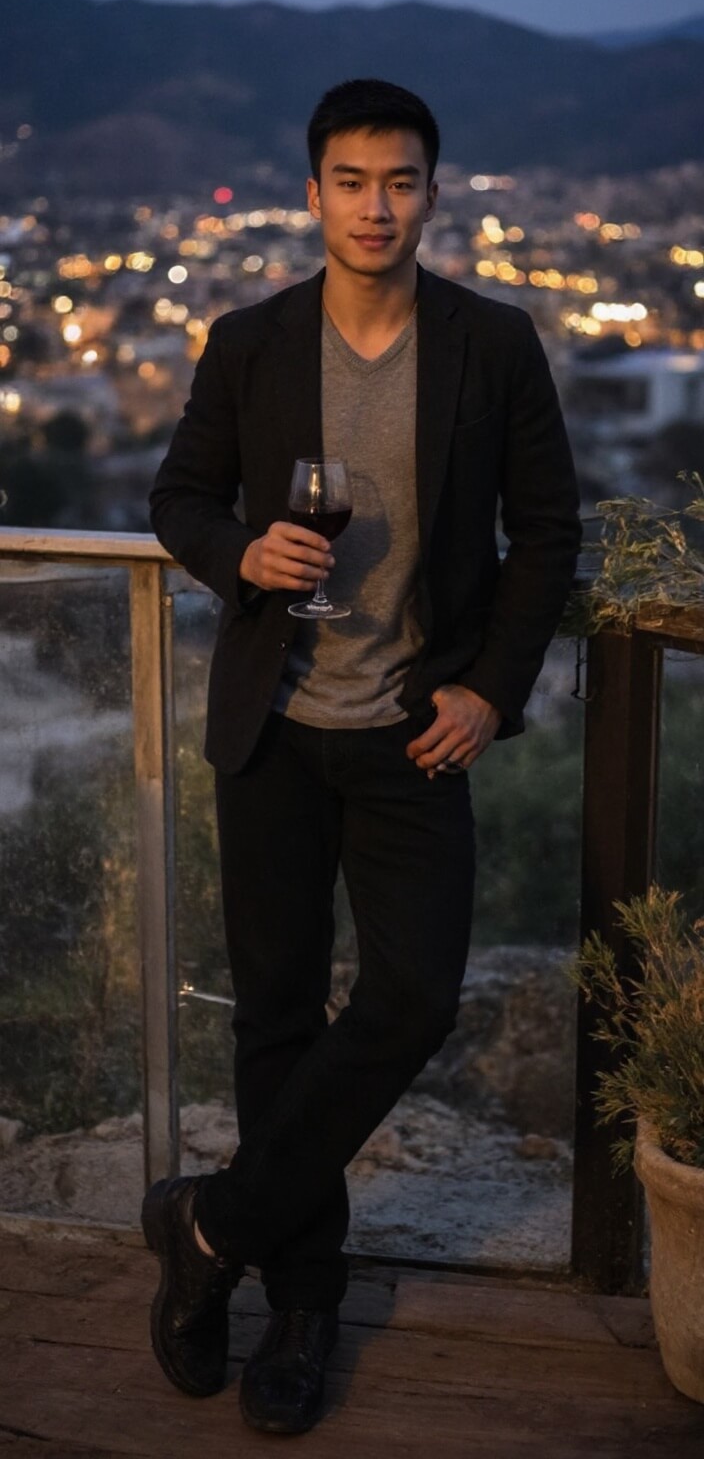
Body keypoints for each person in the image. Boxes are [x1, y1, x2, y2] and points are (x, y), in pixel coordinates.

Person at [144, 76, 582, 1435]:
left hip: (410, 737)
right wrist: (238, 554)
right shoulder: (250, 341)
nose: (376, 204)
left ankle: (206, 1232)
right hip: (273, 731)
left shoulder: (492, 344)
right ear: (314, 192)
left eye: (400, 181)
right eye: (351, 179)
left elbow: (548, 535)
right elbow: (178, 496)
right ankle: (303, 1302)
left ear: (432, 194)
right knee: (275, 1020)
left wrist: (493, 695)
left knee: (411, 998)